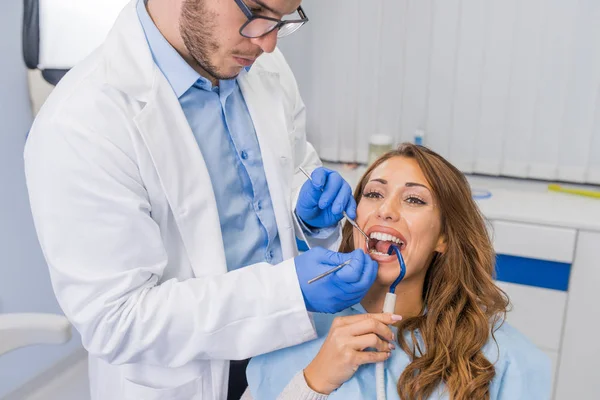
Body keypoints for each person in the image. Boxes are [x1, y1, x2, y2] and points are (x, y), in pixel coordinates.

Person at [23, 0, 379, 399]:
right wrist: (288, 293)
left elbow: (291, 169)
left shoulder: (260, 64)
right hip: (189, 377)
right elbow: (118, 320)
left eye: (282, 19)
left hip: (291, 352)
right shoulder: (80, 124)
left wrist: (308, 217)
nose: (269, 43)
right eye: (258, 12)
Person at [243, 143, 552, 400]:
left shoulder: (506, 359)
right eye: (374, 194)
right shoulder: (293, 329)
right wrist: (314, 382)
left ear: (443, 237)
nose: (386, 210)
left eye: (414, 199)